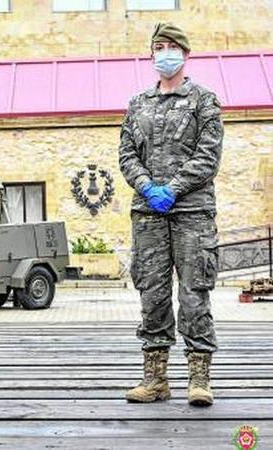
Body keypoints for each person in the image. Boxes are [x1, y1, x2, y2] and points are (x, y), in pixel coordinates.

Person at [119, 23, 223, 407]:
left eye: (171, 46)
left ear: (185, 52)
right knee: (153, 294)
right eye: (157, 46)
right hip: (148, 213)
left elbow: (208, 156)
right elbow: (127, 154)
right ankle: (155, 379)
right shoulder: (138, 103)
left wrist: (174, 189)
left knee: (195, 293)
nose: (164, 52)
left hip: (192, 212)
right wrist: (147, 187)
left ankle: (199, 379)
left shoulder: (204, 101)